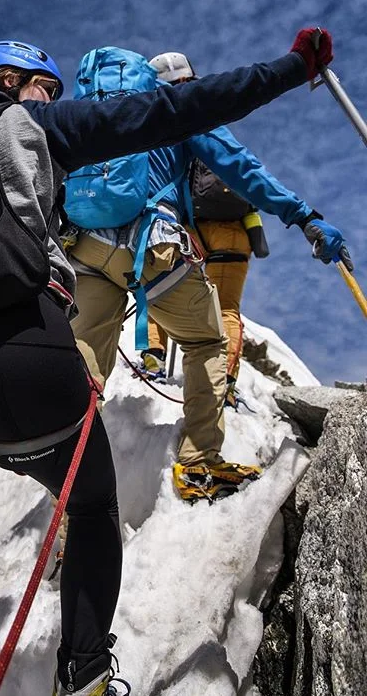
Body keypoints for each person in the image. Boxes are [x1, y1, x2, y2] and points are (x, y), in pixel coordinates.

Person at [0, 31, 338, 696]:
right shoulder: (26, 125)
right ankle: (86, 678)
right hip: (10, 349)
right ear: (10, 81)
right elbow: (182, 111)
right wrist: (293, 67)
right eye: (46, 84)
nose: (54, 95)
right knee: (94, 502)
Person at [65, 40, 352, 505]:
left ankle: (69, 495)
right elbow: (243, 169)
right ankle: (199, 461)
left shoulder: (95, 113)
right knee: (206, 342)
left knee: (84, 370)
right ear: (187, 82)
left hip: (87, 249)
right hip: (153, 245)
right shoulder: (181, 110)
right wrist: (304, 216)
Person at [143, 50, 273, 409]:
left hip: (192, 230)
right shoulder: (215, 131)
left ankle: (153, 354)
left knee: (164, 290)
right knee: (227, 309)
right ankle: (224, 381)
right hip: (234, 234)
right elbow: (248, 183)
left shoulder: (169, 137)